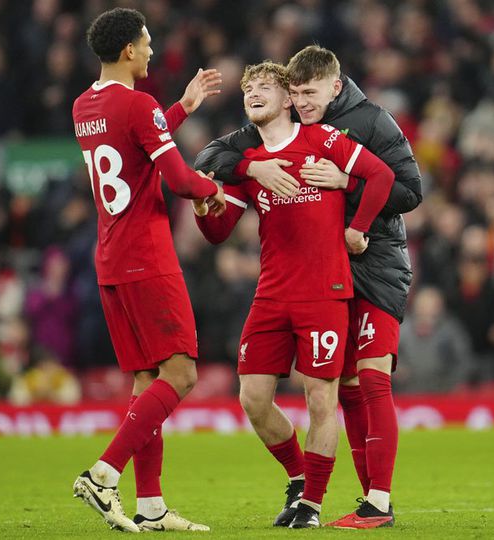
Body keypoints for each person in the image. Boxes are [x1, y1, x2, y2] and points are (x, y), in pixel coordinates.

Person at [195, 45, 422, 528]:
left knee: (369, 380)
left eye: (306, 93)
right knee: (337, 391)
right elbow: (210, 162)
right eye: (293, 93)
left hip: (373, 263)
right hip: (290, 284)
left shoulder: (362, 124)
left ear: (335, 87)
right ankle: (322, 488)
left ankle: (374, 501)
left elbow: (404, 189)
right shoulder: (257, 145)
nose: (300, 102)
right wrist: (244, 172)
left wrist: (347, 189)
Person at [70, 8, 226, 533]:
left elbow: (133, 147)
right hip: (147, 257)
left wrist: (180, 107)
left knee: (146, 381)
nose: (153, 51)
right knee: (181, 374)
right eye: (148, 42)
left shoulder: (83, 105)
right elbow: (179, 180)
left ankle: (152, 506)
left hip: (111, 260)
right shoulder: (138, 104)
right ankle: (103, 474)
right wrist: (214, 191)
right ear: (130, 50)